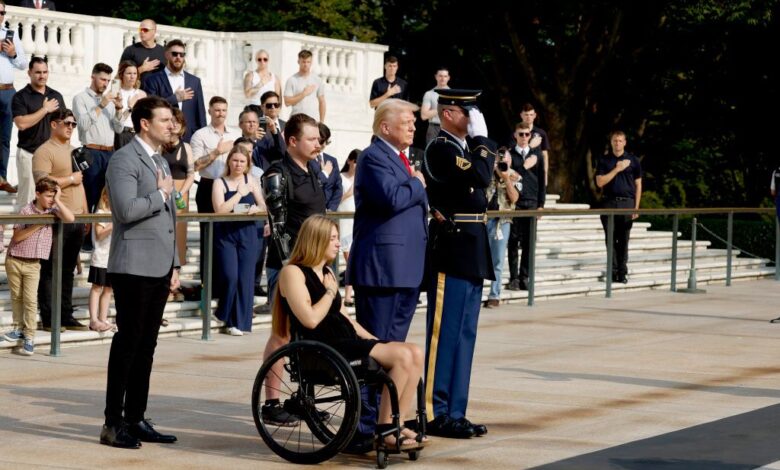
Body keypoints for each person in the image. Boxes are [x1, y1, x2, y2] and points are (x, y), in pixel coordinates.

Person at [272, 215, 427, 449]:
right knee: (403, 356)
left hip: (345, 340)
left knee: (413, 351)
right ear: (317, 240)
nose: (338, 243)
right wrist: (329, 292)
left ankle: (397, 422)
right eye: (333, 238)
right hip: (322, 348)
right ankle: (385, 430)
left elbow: (346, 319)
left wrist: (376, 340)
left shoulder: (327, 273)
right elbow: (310, 319)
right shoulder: (292, 273)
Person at [346, 99, 428, 442]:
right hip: (382, 270)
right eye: (407, 122)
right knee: (376, 353)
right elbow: (391, 199)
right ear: (385, 127)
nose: (413, 127)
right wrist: (418, 183)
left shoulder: (400, 158)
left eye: (413, 122)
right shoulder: (373, 156)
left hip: (404, 268)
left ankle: (389, 421)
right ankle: (365, 429)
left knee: (396, 351)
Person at [101, 96, 180, 449]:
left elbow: (170, 219)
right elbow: (125, 209)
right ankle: (112, 423)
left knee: (147, 346)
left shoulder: (161, 160)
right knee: (127, 345)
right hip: (132, 266)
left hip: (160, 266)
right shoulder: (123, 159)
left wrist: (175, 264)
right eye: (164, 120)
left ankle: (136, 417)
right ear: (144, 124)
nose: (172, 125)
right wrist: (161, 196)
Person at [421, 89, 495, 439]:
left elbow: (481, 188)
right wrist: (483, 140)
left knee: (465, 335)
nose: (474, 118)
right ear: (449, 114)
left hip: (472, 249)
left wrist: (478, 145)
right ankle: (435, 411)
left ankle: (456, 410)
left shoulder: (463, 150)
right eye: (469, 112)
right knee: (444, 334)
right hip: (451, 249)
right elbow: (480, 178)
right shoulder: (441, 148)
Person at [259, 112, 326, 425]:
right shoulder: (277, 172)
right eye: (311, 139)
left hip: (315, 263)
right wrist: (293, 271)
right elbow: (279, 225)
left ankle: (303, 398)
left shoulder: (312, 168)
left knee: (311, 334)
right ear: (292, 141)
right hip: (288, 266)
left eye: (318, 138)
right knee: (282, 334)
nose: (317, 143)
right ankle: (271, 402)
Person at [3, 178, 74, 357]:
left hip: (34, 263)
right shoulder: (26, 210)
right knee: (17, 296)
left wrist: (58, 200)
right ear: (37, 194)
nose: (51, 199)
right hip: (15, 259)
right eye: (48, 196)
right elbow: (17, 237)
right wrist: (39, 223)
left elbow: (70, 218)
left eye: (53, 195)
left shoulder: (53, 210)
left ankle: (30, 335)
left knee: (30, 299)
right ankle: (19, 327)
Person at [32, 108, 89, 331]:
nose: (70, 127)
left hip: (75, 218)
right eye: (66, 123)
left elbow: (80, 182)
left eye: (73, 124)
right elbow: (43, 183)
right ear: (53, 124)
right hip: (54, 219)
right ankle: (49, 317)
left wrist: (84, 213)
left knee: (67, 270)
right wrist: (70, 178)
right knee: (50, 270)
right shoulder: (44, 151)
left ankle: (65, 315)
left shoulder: (74, 151)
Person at [212, 146, 264, 335]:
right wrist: (240, 194)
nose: (238, 164)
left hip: (247, 232)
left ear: (247, 164)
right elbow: (220, 210)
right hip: (226, 234)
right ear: (229, 162)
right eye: (235, 160)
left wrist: (256, 209)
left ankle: (237, 323)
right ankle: (223, 311)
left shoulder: (252, 180)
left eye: (242, 161)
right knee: (230, 275)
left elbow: (263, 206)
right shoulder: (220, 182)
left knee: (245, 279)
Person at [191, 96, 238, 277]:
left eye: (224, 110)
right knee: (208, 236)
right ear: (209, 111)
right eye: (217, 110)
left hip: (230, 186)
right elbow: (196, 165)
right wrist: (217, 151)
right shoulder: (200, 135)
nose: (221, 114)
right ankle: (207, 281)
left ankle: (225, 279)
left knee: (228, 236)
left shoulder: (234, 135)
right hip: (208, 186)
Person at [12, 56, 65, 209]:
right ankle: (23, 232)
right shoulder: (20, 96)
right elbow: (21, 124)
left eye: (45, 72)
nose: (42, 76)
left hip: (51, 157)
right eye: (38, 72)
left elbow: (64, 122)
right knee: (27, 200)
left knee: (52, 198)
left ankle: (47, 233)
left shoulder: (56, 96)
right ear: (29, 73)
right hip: (29, 154)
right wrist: (45, 110)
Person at [72, 62, 124, 214]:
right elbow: (82, 124)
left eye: (108, 81)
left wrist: (119, 109)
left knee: (108, 199)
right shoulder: (80, 98)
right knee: (89, 198)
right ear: (92, 77)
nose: (106, 84)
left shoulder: (109, 101)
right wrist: (102, 105)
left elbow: (119, 128)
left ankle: (99, 236)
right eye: (102, 79)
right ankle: (85, 236)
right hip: (91, 153)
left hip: (110, 153)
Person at [595, 130, 642, 284]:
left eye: (620, 141)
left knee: (623, 240)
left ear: (625, 142)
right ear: (611, 142)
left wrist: (636, 207)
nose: (617, 143)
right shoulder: (604, 160)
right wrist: (617, 169)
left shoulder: (633, 160)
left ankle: (622, 272)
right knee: (610, 240)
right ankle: (613, 271)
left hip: (627, 203)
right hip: (608, 203)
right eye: (615, 140)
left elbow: (638, 184)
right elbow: (600, 182)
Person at [141, 39, 206, 142]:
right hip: (163, 136)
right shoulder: (152, 80)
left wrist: (203, 138)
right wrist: (174, 98)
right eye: (175, 54)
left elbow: (200, 113)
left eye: (182, 54)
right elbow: (150, 108)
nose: (178, 58)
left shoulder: (194, 81)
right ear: (167, 55)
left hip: (189, 137)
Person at [506, 122, 545, 291]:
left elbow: (542, 181)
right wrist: (523, 166)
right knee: (513, 242)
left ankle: (525, 277)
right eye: (520, 134)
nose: (524, 137)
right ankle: (514, 277)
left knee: (529, 243)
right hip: (514, 203)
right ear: (515, 135)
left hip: (531, 202)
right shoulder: (509, 155)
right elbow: (509, 176)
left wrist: (541, 204)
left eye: (527, 134)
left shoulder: (537, 156)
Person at [484, 147, 520, 308]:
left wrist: (506, 179)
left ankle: (494, 295)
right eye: (500, 161)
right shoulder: (487, 172)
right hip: (483, 220)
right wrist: (490, 169)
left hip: (502, 221)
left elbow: (514, 199)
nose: (502, 164)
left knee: (497, 260)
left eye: (505, 161)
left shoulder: (514, 176)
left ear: (510, 161)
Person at [162, 107, 194, 272]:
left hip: (182, 194)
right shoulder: (160, 146)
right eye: (171, 121)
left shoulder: (186, 147)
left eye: (177, 122)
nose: (174, 125)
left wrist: (181, 193)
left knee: (179, 234)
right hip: (163, 191)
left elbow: (191, 174)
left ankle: (176, 274)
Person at [0, 4, 29, 193]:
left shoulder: (11, 33)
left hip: (8, 91)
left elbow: (24, 63)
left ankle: (1, 179)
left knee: (4, 138)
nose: (0, 15)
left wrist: (13, 53)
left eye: (2, 12)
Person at [88, 187, 115, 333]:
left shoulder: (116, 214)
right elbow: (99, 235)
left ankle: (103, 318)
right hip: (101, 256)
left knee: (108, 289)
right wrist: (112, 225)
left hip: (113, 258)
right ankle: (93, 319)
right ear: (105, 197)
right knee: (97, 287)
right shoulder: (101, 213)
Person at [338, 149, 359, 306]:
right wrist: (350, 191)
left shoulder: (362, 178)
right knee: (349, 258)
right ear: (350, 161)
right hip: (343, 220)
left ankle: (349, 294)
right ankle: (348, 295)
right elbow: (336, 199)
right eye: (356, 161)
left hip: (357, 220)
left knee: (354, 258)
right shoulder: (340, 178)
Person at [283, 50, 326, 122]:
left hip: (313, 120)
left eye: (308, 62)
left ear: (311, 62)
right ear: (298, 62)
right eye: (303, 62)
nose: (306, 64)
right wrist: (304, 94)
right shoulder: (292, 80)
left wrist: (322, 121)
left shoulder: (317, 80)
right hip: (296, 120)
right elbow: (287, 102)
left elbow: (322, 101)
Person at [113, 60, 147, 149]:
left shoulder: (141, 94)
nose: (132, 77)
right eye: (129, 73)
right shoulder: (115, 93)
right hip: (121, 135)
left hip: (138, 135)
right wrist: (130, 107)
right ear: (121, 75)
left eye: (135, 73)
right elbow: (118, 123)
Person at [252, 91, 286, 172]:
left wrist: (275, 132)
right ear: (262, 107)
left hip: (284, 170)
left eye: (276, 105)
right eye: (269, 105)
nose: (273, 107)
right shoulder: (254, 124)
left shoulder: (286, 125)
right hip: (263, 170)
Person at [313, 122, 343, 211]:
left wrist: (331, 208)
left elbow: (338, 188)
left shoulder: (332, 160)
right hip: (313, 210)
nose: (324, 145)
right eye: (321, 141)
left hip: (329, 212)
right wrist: (324, 173)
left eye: (326, 141)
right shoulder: (306, 159)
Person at [519, 103, 551, 186]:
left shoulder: (541, 133)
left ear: (535, 115)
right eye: (526, 114)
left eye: (531, 114)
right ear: (521, 115)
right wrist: (530, 145)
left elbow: (545, 156)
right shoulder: (516, 134)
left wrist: (545, 175)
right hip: (521, 172)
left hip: (537, 174)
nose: (528, 117)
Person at [420, 67, 450, 144]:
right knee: (432, 154)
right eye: (440, 76)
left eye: (445, 76)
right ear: (436, 77)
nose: (442, 78)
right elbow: (424, 116)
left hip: (449, 128)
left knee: (449, 154)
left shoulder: (453, 94)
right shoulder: (429, 94)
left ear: (448, 78)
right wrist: (441, 107)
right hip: (433, 128)